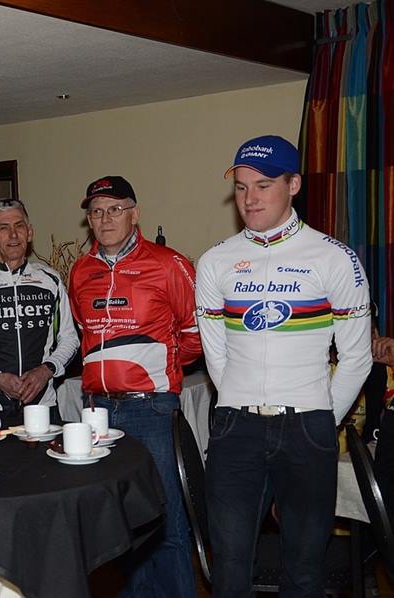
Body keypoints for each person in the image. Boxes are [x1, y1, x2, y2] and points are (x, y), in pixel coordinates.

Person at [196, 135, 372, 596]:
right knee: (229, 565)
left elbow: (357, 357)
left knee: (305, 568)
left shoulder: (335, 257)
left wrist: (321, 417)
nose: (249, 199)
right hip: (235, 428)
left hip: (308, 427)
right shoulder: (215, 261)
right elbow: (216, 353)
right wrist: (238, 400)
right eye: (241, 187)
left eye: (263, 185)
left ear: (293, 185)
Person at [68, 175, 200, 597]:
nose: (105, 219)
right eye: (96, 212)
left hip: (151, 409)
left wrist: (160, 369)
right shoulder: (80, 271)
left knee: (166, 518)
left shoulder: (168, 264)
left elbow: (195, 333)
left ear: (134, 214)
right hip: (97, 412)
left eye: (114, 209)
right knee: (119, 522)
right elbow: (83, 330)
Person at [0, 198, 78, 417]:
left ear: (29, 233)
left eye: (19, 226)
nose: (13, 235)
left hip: (43, 405)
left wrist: (46, 370)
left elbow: (70, 339)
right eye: (3, 228)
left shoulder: (50, 280)